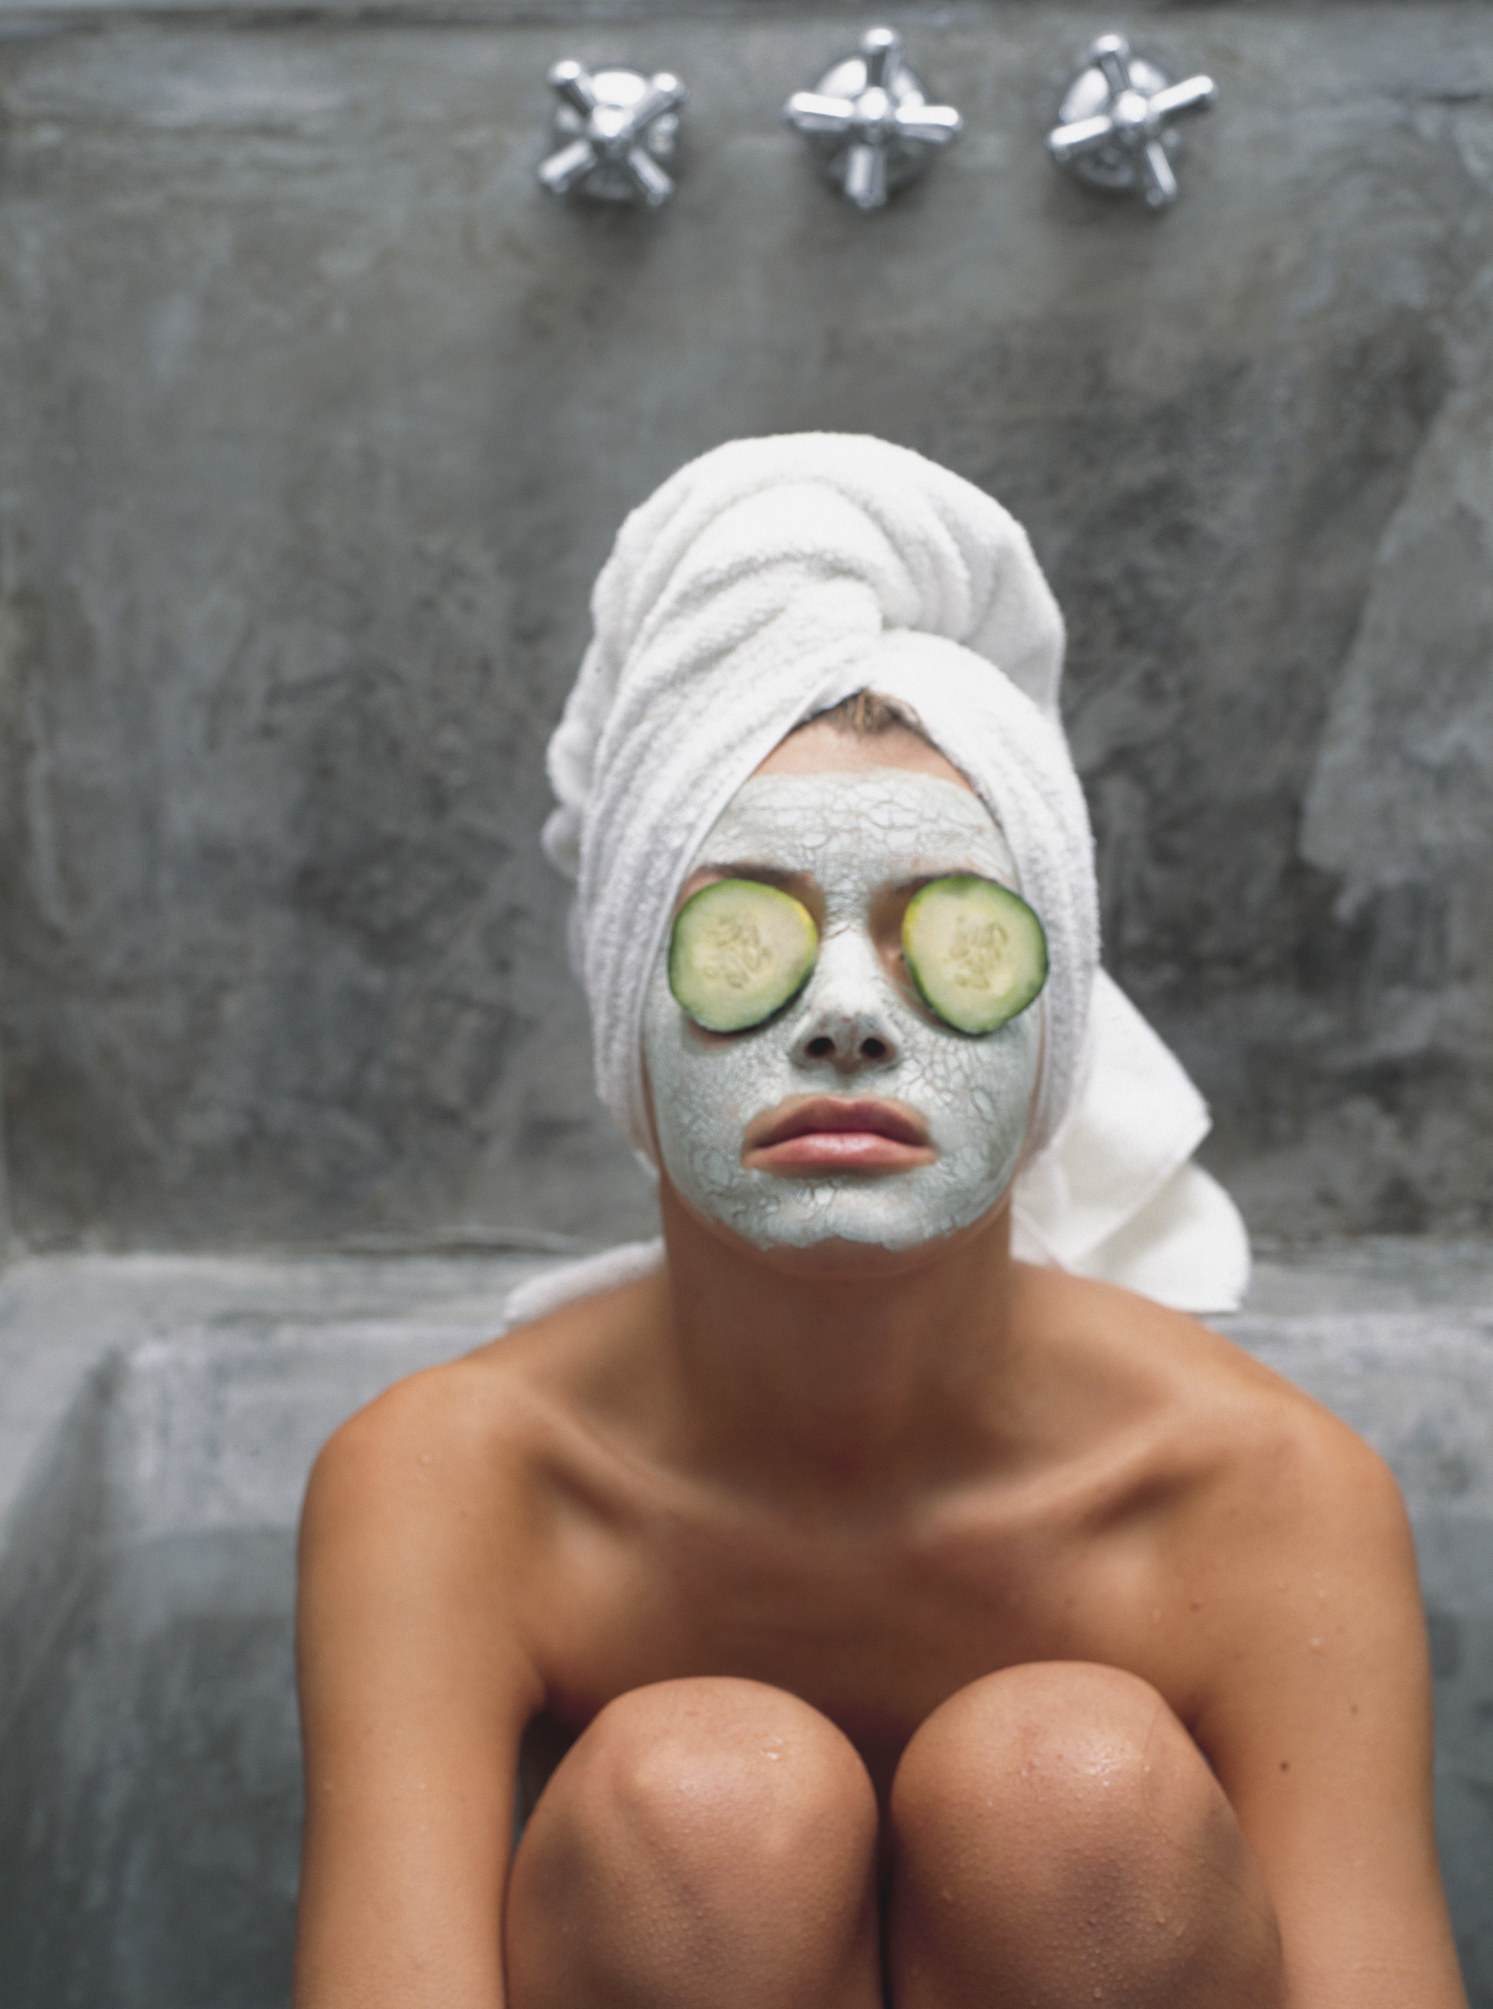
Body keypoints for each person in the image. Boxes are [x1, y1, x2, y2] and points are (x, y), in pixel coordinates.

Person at [292, 436, 1467, 2009]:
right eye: (743, 932)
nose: (846, 1017)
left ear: (1052, 1036)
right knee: (702, 1798)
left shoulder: (1266, 1497)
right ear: (627, 1012)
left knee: (1070, 1787)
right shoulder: (448, 1485)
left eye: (948, 940)